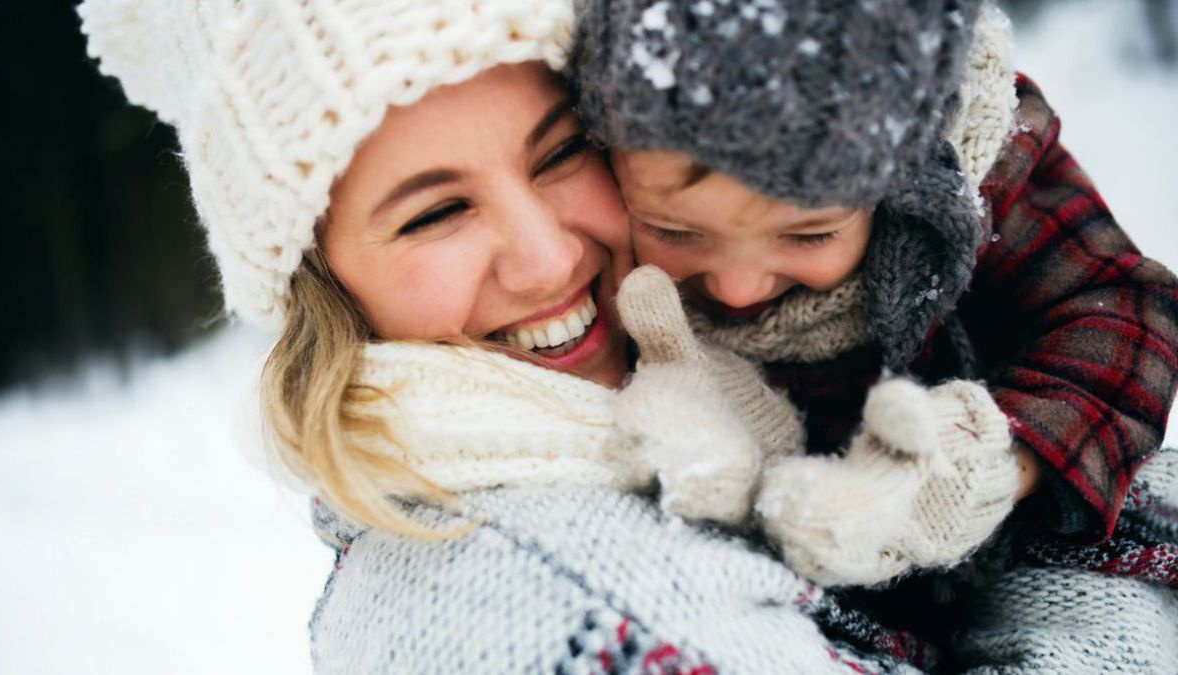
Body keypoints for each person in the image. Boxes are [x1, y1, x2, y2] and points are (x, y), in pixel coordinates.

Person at [76, 1, 930, 672]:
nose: (547, 255)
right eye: (437, 212)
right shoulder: (548, 600)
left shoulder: (732, 366)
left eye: (561, 152)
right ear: (323, 288)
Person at [570, 0, 1178, 668]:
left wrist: (987, 463)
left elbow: (1120, 312)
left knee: (1094, 639)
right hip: (800, 571)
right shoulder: (585, 237)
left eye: (809, 233)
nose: (737, 287)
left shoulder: (982, 165)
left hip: (1013, 534)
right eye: (676, 231)